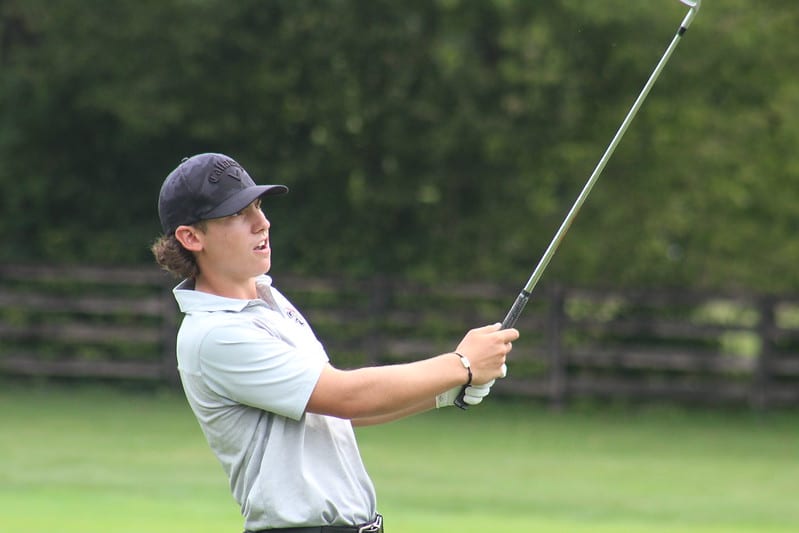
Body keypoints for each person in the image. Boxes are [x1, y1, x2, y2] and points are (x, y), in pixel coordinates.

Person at [151, 153, 519, 533]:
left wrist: (448, 391)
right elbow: (344, 394)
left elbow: (334, 412)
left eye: (257, 206)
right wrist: (460, 365)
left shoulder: (267, 301)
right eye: (236, 215)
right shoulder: (214, 334)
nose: (263, 223)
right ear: (191, 237)